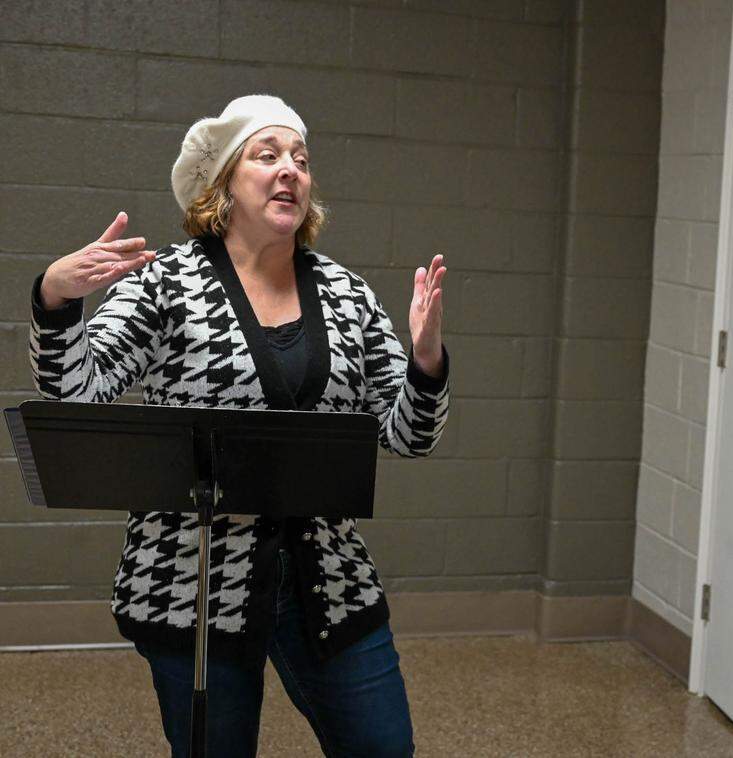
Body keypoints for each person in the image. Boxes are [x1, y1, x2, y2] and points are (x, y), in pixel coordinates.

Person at [29, 95, 448, 757]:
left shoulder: (347, 293)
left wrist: (426, 363)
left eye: (302, 161)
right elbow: (76, 390)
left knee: (383, 747)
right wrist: (55, 302)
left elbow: (409, 434)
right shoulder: (164, 283)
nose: (291, 171)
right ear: (225, 179)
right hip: (191, 588)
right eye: (269, 155)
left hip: (327, 582)